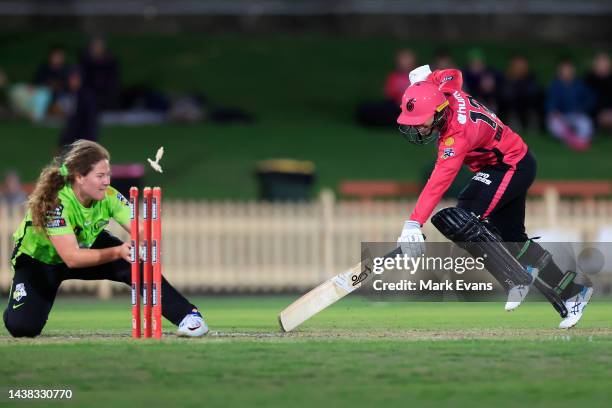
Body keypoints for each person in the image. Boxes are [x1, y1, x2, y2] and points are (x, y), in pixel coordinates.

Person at [395, 65, 592, 329]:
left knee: (461, 220)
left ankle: (514, 278)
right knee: (514, 241)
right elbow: (452, 73)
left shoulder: (455, 136)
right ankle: (574, 293)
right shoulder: (448, 91)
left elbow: (438, 182)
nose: (418, 128)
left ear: (439, 112)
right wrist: (428, 80)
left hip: (511, 165)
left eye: (421, 121)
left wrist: (414, 223)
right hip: (503, 166)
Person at [3, 140, 208, 338]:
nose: (107, 181)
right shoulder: (56, 202)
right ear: (80, 177)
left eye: (108, 175)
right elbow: (72, 258)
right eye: (100, 176)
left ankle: (189, 317)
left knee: (135, 260)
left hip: (86, 244)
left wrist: (143, 244)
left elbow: (140, 228)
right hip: (38, 261)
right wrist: (118, 251)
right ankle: (19, 301)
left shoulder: (108, 194)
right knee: (22, 327)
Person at [546, 58, 596, 151]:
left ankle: (581, 141)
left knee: (585, 123)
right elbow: (550, 101)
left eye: (569, 69)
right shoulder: (555, 85)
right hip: (561, 115)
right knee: (553, 123)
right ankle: (570, 139)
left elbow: (590, 99)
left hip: (576, 114)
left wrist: (581, 109)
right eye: (564, 70)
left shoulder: (580, 84)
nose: (566, 72)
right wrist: (554, 110)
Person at [585, 52, 612, 130]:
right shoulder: (590, 78)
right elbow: (588, 98)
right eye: (599, 63)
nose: (601, 66)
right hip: (596, 111)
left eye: (604, 63)